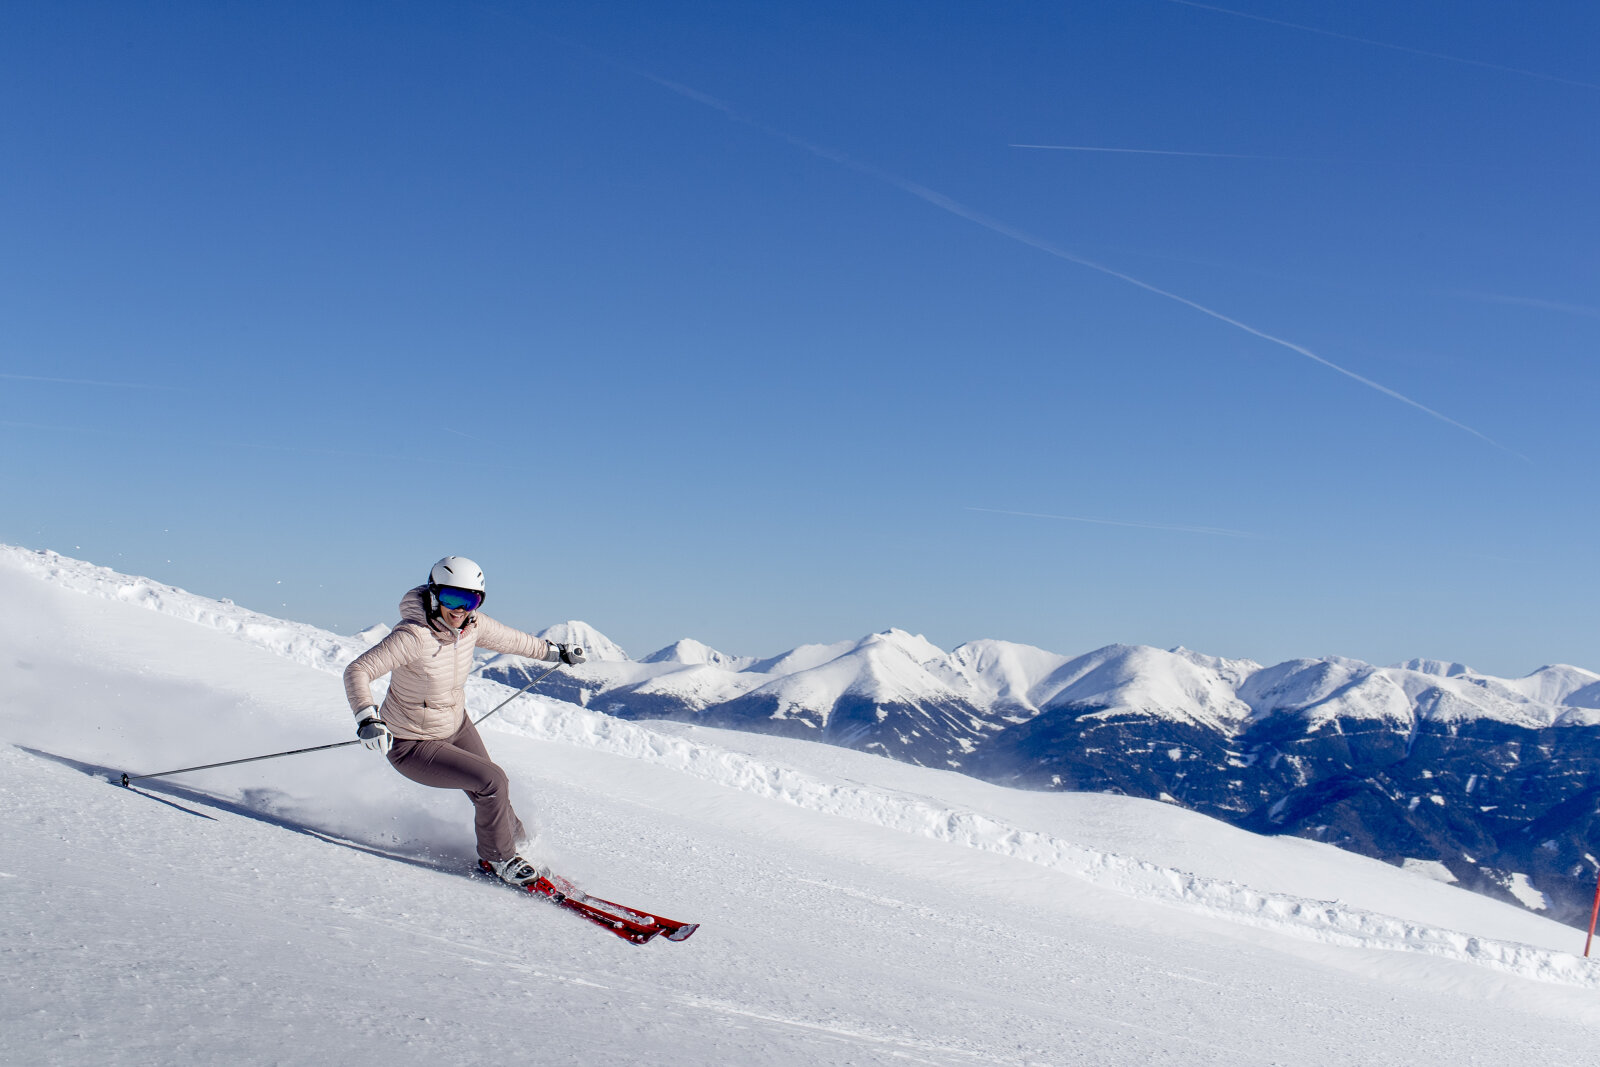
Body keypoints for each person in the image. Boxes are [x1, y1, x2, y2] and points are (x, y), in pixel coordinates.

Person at [342, 556, 583, 886]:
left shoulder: (472, 626)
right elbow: (358, 670)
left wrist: (556, 652)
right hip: (411, 744)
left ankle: (522, 847)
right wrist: (367, 718)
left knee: (494, 793)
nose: (459, 609)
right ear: (434, 594)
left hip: (455, 727)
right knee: (493, 781)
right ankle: (498, 860)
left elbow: (515, 640)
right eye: (451, 598)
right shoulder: (413, 636)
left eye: (470, 600)